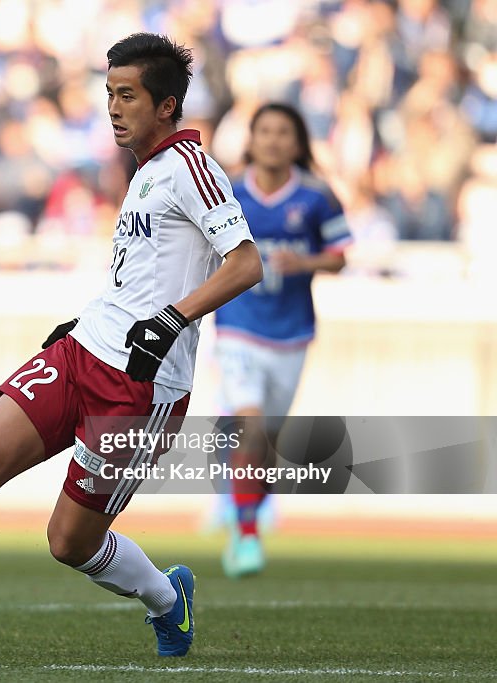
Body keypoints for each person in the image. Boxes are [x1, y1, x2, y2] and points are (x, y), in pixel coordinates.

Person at [0, 33, 262, 658]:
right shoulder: (143, 168)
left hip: (144, 382)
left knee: (69, 542)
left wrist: (172, 319)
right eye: (109, 93)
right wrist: (88, 322)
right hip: (85, 349)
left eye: (129, 96)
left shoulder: (192, 168)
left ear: (166, 105)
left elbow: (246, 263)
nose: (114, 107)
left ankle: (169, 600)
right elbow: (143, 270)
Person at [214, 102, 351, 578]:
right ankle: (246, 534)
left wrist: (306, 263)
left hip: (290, 335)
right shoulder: (225, 191)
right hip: (237, 327)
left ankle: (247, 504)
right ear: (251, 139)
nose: (273, 140)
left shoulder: (316, 198)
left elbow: (338, 256)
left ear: (297, 143)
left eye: (283, 132)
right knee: (249, 428)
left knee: (266, 443)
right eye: (265, 131)